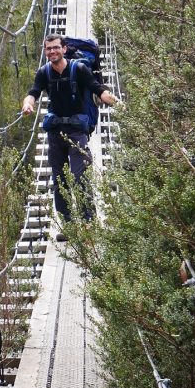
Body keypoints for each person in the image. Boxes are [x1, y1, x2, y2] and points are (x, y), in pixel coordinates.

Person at [22, 34, 121, 239]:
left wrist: (117, 103)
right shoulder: (44, 72)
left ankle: (88, 222)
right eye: (49, 49)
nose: (52, 51)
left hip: (77, 131)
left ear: (64, 49)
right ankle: (68, 226)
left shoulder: (80, 69)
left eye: (56, 48)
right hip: (55, 132)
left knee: (79, 176)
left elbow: (98, 90)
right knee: (59, 180)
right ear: (45, 51)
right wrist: (28, 104)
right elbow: (33, 92)